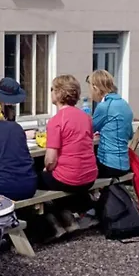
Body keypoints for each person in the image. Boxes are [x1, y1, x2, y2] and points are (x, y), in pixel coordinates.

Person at [39, 75, 99, 237]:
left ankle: (51, 223)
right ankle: (69, 216)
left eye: (52, 89)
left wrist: (46, 169)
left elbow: (50, 159)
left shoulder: (56, 121)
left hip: (69, 179)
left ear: (59, 93)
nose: (51, 92)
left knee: (37, 178)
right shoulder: (86, 117)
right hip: (90, 176)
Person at [88, 70, 134, 178]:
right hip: (124, 164)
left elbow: (89, 129)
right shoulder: (124, 104)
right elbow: (130, 134)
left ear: (95, 88)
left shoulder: (104, 106)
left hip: (108, 165)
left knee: (77, 171)